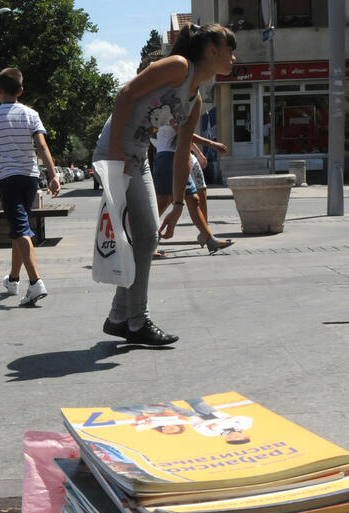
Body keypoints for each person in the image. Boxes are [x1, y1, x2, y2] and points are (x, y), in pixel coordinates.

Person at [92, 23, 237, 346]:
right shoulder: (178, 67)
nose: (234, 57)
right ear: (212, 51)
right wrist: (115, 154)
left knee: (145, 236)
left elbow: (182, 153)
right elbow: (125, 94)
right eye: (230, 50)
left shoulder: (195, 100)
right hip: (114, 150)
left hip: (139, 156)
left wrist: (178, 205)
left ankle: (120, 318)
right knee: (144, 237)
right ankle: (135, 320)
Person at [0, 67, 61, 307]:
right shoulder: (31, 114)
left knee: (20, 227)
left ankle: (35, 283)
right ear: (21, 91)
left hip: (6, 177)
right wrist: (53, 175)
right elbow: (42, 147)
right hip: (30, 176)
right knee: (19, 226)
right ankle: (13, 280)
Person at [152, 124, 232, 255]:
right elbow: (185, 134)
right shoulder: (172, 110)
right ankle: (147, 244)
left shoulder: (181, 110)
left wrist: (198, 153)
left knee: (194, 199)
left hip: (180, 159)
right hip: (167, 159)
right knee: (160, 205)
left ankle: (210, 240)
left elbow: (185, 138)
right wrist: (212, 144)